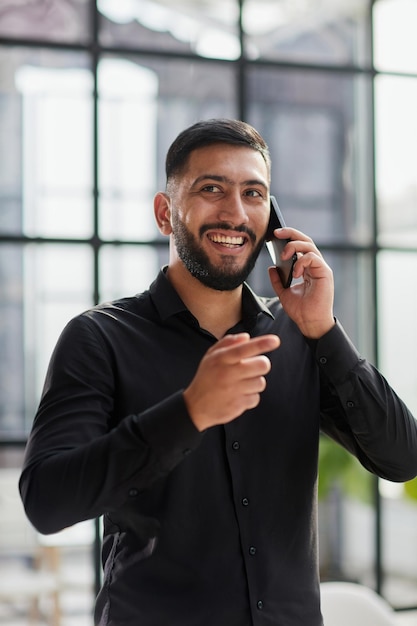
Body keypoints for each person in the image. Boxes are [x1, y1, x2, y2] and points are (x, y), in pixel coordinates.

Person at [20, 118, 417, 626]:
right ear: (166, 212)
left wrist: (325, 331)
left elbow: (402, 458)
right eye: (212, 189)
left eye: (254, 193)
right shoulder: (99, 338)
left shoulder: (300, 333)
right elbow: (47, 502)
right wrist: (188, 413)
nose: (235, 213)